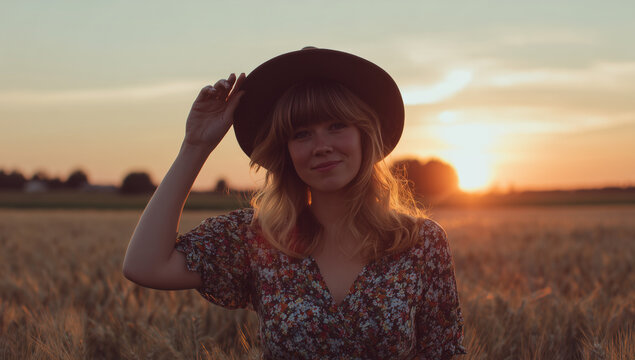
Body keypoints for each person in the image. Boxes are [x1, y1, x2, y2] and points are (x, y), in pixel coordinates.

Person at [123, 47, 466, 359]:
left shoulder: (420, 243)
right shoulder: (258, 239)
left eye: (336, 125)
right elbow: (145, 265)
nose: (321, 146)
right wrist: (195, 145)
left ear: (365, 135)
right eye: (301, 133)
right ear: (285, 151)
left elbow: (441, 353)